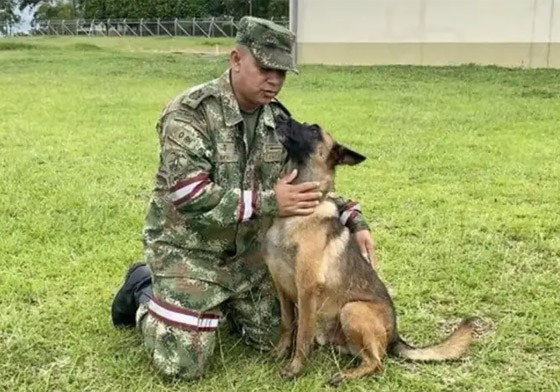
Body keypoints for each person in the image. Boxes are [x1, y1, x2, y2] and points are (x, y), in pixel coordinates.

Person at [111, 16, 376, 381]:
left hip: (248, 258)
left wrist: (354, 220)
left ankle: (220, 305)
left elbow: (307, 188)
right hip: (191, 252)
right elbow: (191, 196)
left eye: (282, 72)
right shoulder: (190, 113)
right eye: (266, 67)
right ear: (236, 59)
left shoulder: (279, 123)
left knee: (277, 334)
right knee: (183, 364)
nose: (275, 80)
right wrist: (270, 202)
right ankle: (142, 287)